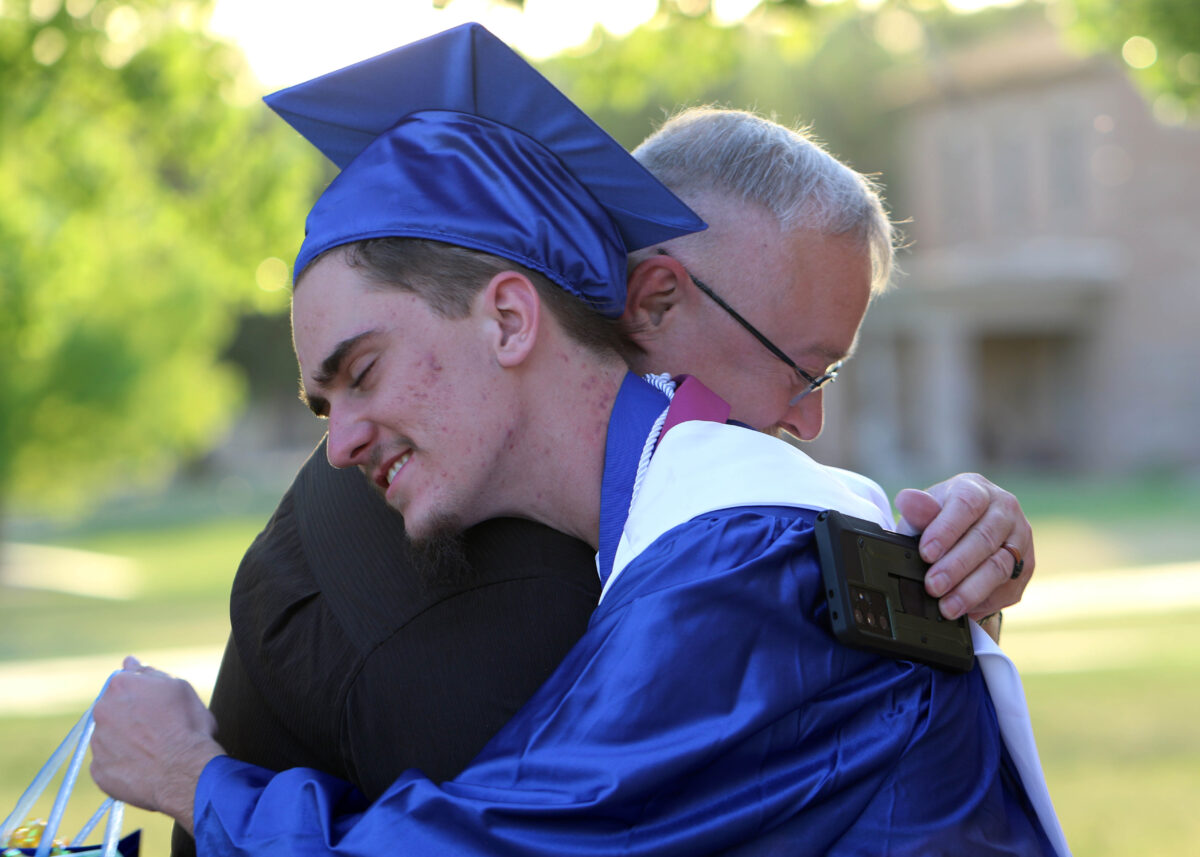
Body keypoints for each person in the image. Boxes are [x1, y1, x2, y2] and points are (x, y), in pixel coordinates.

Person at [91, 23, 1068, 856]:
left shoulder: (747, 557)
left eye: (365, 370)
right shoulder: (707, 536)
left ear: (512, 321)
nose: (341, 441)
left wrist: (193, 776)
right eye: (322, 401)